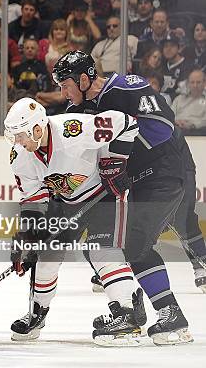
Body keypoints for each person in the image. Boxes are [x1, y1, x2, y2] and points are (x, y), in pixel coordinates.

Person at [54, 50, 196, 344]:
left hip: (164, 174)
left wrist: (121, 161)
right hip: (139, 183)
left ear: (84, 79)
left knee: (134, 244)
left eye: (66, 84)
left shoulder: (126, 87)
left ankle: (171, 316)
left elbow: (162, 126)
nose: (63, 92)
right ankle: (136, 307)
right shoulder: (79, 110)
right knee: (114, 243)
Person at [5, 98, 145, 346]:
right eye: (13, 135)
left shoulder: (74, 129)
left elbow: (127, 123)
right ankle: (38, 313)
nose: (17, 142)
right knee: (46, 254)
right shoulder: (20, 155)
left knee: (101, 250)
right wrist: (28, 237)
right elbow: (33, 198)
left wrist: (114, 162)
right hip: (66, 201)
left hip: (104, 194)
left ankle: (126, 314)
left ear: (37, 129)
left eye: (20, 135)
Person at [170, 69, 206, 134]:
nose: (195, 85)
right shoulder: (179, 99)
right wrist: (176, 122)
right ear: (188, 84)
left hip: (197, 132)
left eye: (198, 82)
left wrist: (191, 125)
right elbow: (170, 115)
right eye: (192, 82)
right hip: (176, 130)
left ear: (204, 83)